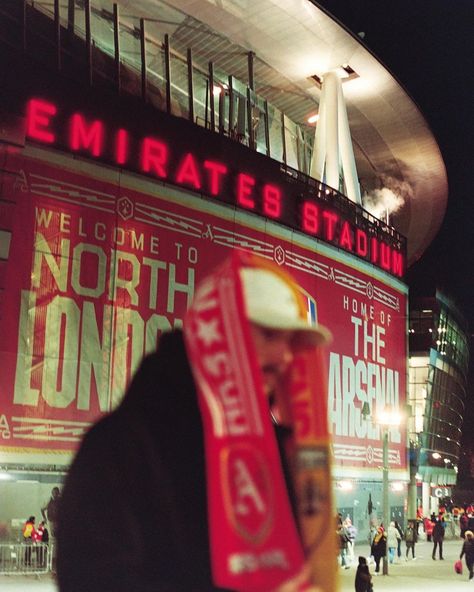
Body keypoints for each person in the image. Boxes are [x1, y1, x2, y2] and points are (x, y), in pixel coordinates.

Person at [57, 252, 335, 592]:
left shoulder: (279, 451)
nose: (284, 357)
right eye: (268, 335)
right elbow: (93, 578)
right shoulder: (120, 446)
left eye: (290, 342)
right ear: (213, 332)